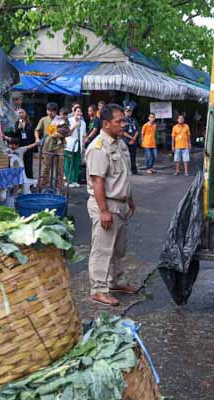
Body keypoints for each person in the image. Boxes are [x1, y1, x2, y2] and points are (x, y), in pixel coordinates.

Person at [84, 104, 137, 307]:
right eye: (118, 121)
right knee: (103, 248)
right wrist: (104, 211)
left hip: (121, 204)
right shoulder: (98, 147)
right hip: (106, 205)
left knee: (119, 248)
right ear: (105, 124)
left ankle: (115, 281)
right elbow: (98, 182)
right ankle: (98, 289)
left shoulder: (120, 143)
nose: (123, 124)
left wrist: (130, 199)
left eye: (123, 120)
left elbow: (123, 175)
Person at [34, 102, 65, 191]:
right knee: (45, 169)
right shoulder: (43, 120)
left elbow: (67, 133)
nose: (50, 113)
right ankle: (44, 187)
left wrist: (59, 135)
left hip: (59, 147)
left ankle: (58, 188)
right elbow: (37, 130)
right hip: (46, 147)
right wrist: (37, 139)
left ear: (56, 111)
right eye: (48, 110)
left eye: (52, 111)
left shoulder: (60, 120)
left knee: (60, 169)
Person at [12, 107, 35, 181]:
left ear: (25, 114)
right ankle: (20, 181)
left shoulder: (30, 123)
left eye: (22, 112)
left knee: (28, 165)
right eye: (19, 113)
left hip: (28, 145)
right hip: (20, 146)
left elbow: (33, 134)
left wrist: (34, 147)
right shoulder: (16, 123)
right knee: (20, 164)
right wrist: (19, 128)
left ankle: (30, 181)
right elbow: (15, 135)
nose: (21, 114)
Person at [65, 105, 86, 188]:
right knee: (68, 163)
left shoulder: (83, 123)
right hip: (70, 145)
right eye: (77, 111)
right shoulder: (69, 120)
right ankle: (68, 180)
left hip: (79, 145)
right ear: (73, 112)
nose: (79, 113)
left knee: (77, 163)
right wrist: (75, 125)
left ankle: (74, 180)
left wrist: (84, 146)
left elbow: (84, 135)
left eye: (80, 112)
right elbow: (67, 133)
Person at [122, 105, 140, 175]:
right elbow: (122, 132)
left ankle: (134, 171)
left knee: (133, 157)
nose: (128, 113)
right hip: (126, 141)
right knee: (125, 157)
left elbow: (137, 130)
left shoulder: (134, 120)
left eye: (130, 111)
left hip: (133, 141)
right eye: (127, 111)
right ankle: (126, 171)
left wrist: (134, 138)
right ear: (124, 112)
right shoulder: (122, 120)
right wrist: (131, 138)